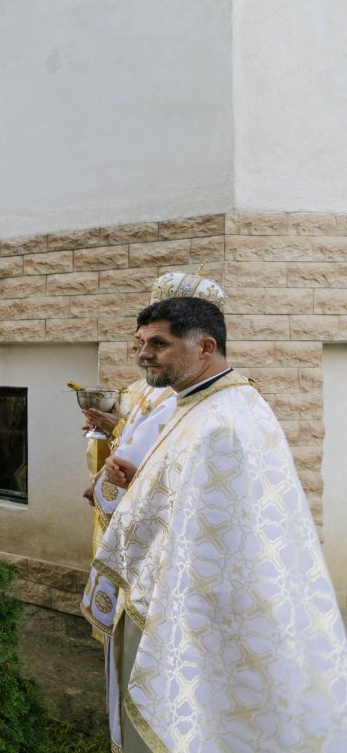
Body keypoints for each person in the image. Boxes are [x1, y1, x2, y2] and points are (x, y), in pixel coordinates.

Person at [84, 297, 347, 751]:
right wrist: (131, 482)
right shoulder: (195, 402)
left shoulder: (224, 422)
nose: (144, 353)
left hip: (198, 609)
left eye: (159, 344)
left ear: (205, 347)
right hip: (164, 588)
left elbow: (214, 533)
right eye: (141, 343)